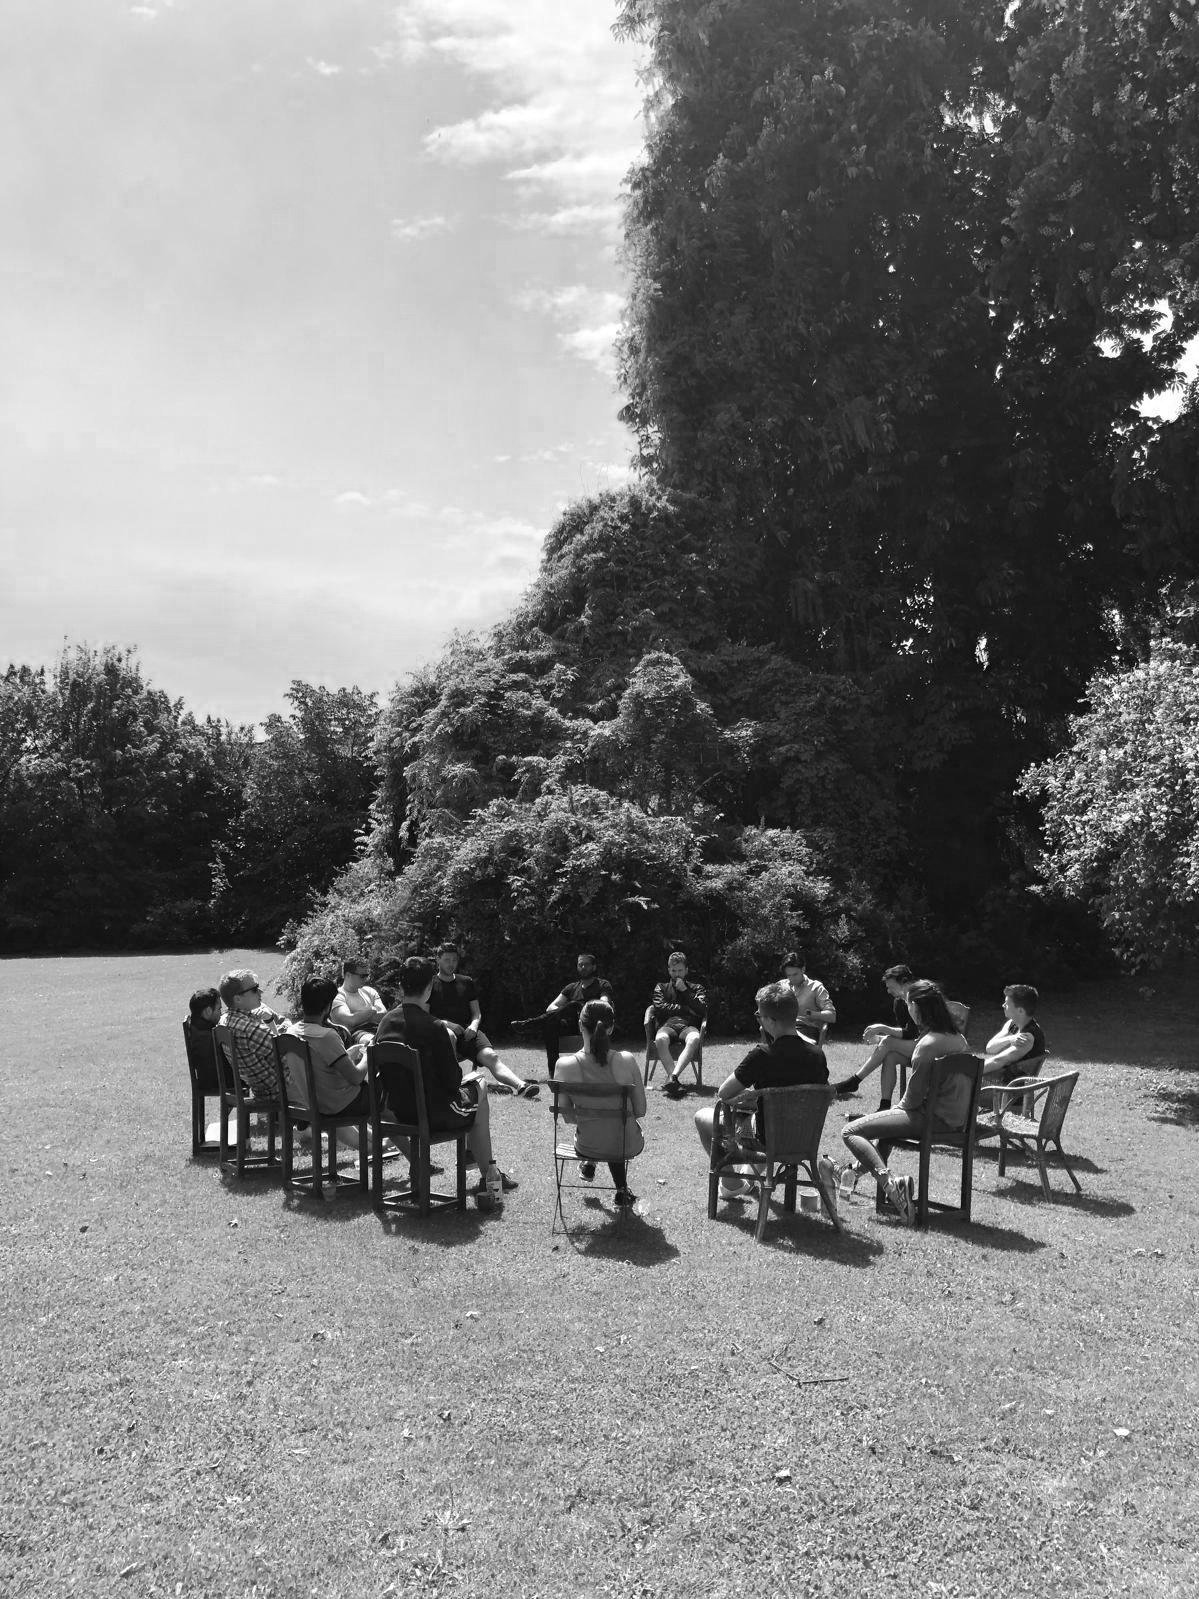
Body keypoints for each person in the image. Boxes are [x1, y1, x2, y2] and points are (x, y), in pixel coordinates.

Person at [375, 956, 517, 1199]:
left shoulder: (385, 1023)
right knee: (479, 1083)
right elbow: (452, 1082)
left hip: (398, 1112)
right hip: (435, 1114)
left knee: (473, 1088)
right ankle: (488, 1174)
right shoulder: (435, 1027)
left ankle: (478, 1161)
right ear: (430, 987)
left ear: (400, 986)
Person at [840, 979, 972, 1225]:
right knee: (885, 1126)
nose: (907, 1008)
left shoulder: (927, 1045)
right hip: (956, 1120)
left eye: (909, 1003)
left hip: (930, 1119)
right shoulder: (959, 1039)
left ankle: (891, 1186)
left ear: (917, 1008)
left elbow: (911, 1101)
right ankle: (852, 1173)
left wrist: (887, 1113)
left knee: (850, 1130)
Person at [695, 980, 831, 1201]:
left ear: (770, 1020)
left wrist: (750, 1100)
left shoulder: (762, 1055)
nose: (758, 1019)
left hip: (767, 1139)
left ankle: (731, 1185)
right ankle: (746, 1178)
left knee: (703, 1117)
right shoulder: (818, 1055)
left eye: (759, 1015)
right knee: (759, 1117)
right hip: (803, 1138)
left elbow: (724, 1093)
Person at [554, 998, 647, 1208]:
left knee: (601, 1128)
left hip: (588, 1145)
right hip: (626, 1144)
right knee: (616, 1128)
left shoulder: (564, 1065)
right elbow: (640, 1110)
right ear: (611, 1028)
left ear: (580, 1025)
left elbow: (568, 1117)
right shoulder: (626, 1060)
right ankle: (621, 1189)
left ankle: (590, 1164)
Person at [429, 943, 538, 1098]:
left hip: (468, 1033)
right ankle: (453, 1089)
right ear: (438, 959)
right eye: (447, 960)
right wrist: (447, 1024)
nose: (451, 964)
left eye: (454, 960)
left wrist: (474, 1025)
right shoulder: (429, 984)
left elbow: (476, 1013)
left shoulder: (466, 982)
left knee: (491, 1057)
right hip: (443, 1035)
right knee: (449, 1037)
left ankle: (521, 1087)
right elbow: (424, 1015)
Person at [833, 964, 920, 1110]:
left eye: (891, 987)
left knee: (888, 1042)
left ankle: (854, 1081)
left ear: (904, 982)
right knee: (890, 1056)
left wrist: (882, 1029)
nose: (888, 991)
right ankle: (884, 1106)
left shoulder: (919, 998)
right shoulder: (899, 1002)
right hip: (916, 1047)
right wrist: (880, 1039)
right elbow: (907, 1034)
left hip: (932, 1049)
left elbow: (912, 1033)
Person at [514, 953, 614, 1077]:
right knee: (551, 1024)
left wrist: (584, 1010)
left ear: (594, 967)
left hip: (591, 1023)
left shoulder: (603, 985)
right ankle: (554, 1072)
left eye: (586, 964)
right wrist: (566, 1011)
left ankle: (531, 1024)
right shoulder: (571, 987)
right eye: (580, 964)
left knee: (574, 1005)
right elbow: (551, 1007)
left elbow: (604, 1004)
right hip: (573, 1024)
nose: (583, 967)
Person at [284, 976, 371, 1118]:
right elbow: (355, 1078)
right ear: (327, 1007)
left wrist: (348, 1054)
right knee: (381, 1085)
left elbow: (320, 1065)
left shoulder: (291, 1033)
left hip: (310, 1103)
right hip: (337, 1106)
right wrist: (368, 1055)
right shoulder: (326, 1036)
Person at [217, 968, 285, 1099]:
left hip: (259, 1089)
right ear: (237, 999)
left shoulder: (224, 1020)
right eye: (254, 989)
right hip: (278, 1092)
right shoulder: (250, 1030)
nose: (260, 991)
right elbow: (286, 1051)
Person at [649, 951, 708, 1100]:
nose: (677, 974)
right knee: (660, 1039)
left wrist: (685, 991)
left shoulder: (697, 988)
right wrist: (685, 1009)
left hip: (688, 1026)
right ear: (669, 970)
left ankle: (672, 1077)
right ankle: (674, 1082)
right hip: (667, 1025)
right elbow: (660, 1008)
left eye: (680, 970)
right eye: (674, 971)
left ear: (686, 970)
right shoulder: (661, 987)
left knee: (695, 1038)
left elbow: (702, 1009)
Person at [983, 984, 1046, 1082]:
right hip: (1002, 1080)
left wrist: (973, 1071)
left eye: (1007, 1004)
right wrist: (1010, 1039)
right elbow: (990, 1048)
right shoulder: (1013, 1025)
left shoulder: (1027, 1038)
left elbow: (998, 1061)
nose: (1003, 1005)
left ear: (1020, 1010)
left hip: (1010, 1087)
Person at [781, 951, 836, 1036]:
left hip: (806, 1031)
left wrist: (813, 1014)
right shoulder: (781, 986)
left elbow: (832, 1016)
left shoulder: (816, 987)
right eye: (789, 975)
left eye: (795, 974)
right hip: (783, 1030)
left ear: (803, 969)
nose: (792, 978)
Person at [331, 959, 386, 1043]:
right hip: (356, 1035)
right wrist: (372, 1010)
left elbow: (383, 1014)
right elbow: (350, 1020)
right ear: (348, 975)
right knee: (371, 1042)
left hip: (378, 1029)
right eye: (362, 976)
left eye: (367, 975)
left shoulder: (370, 991)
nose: (366, 979)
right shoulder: (338, 996)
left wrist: (359, 1016)